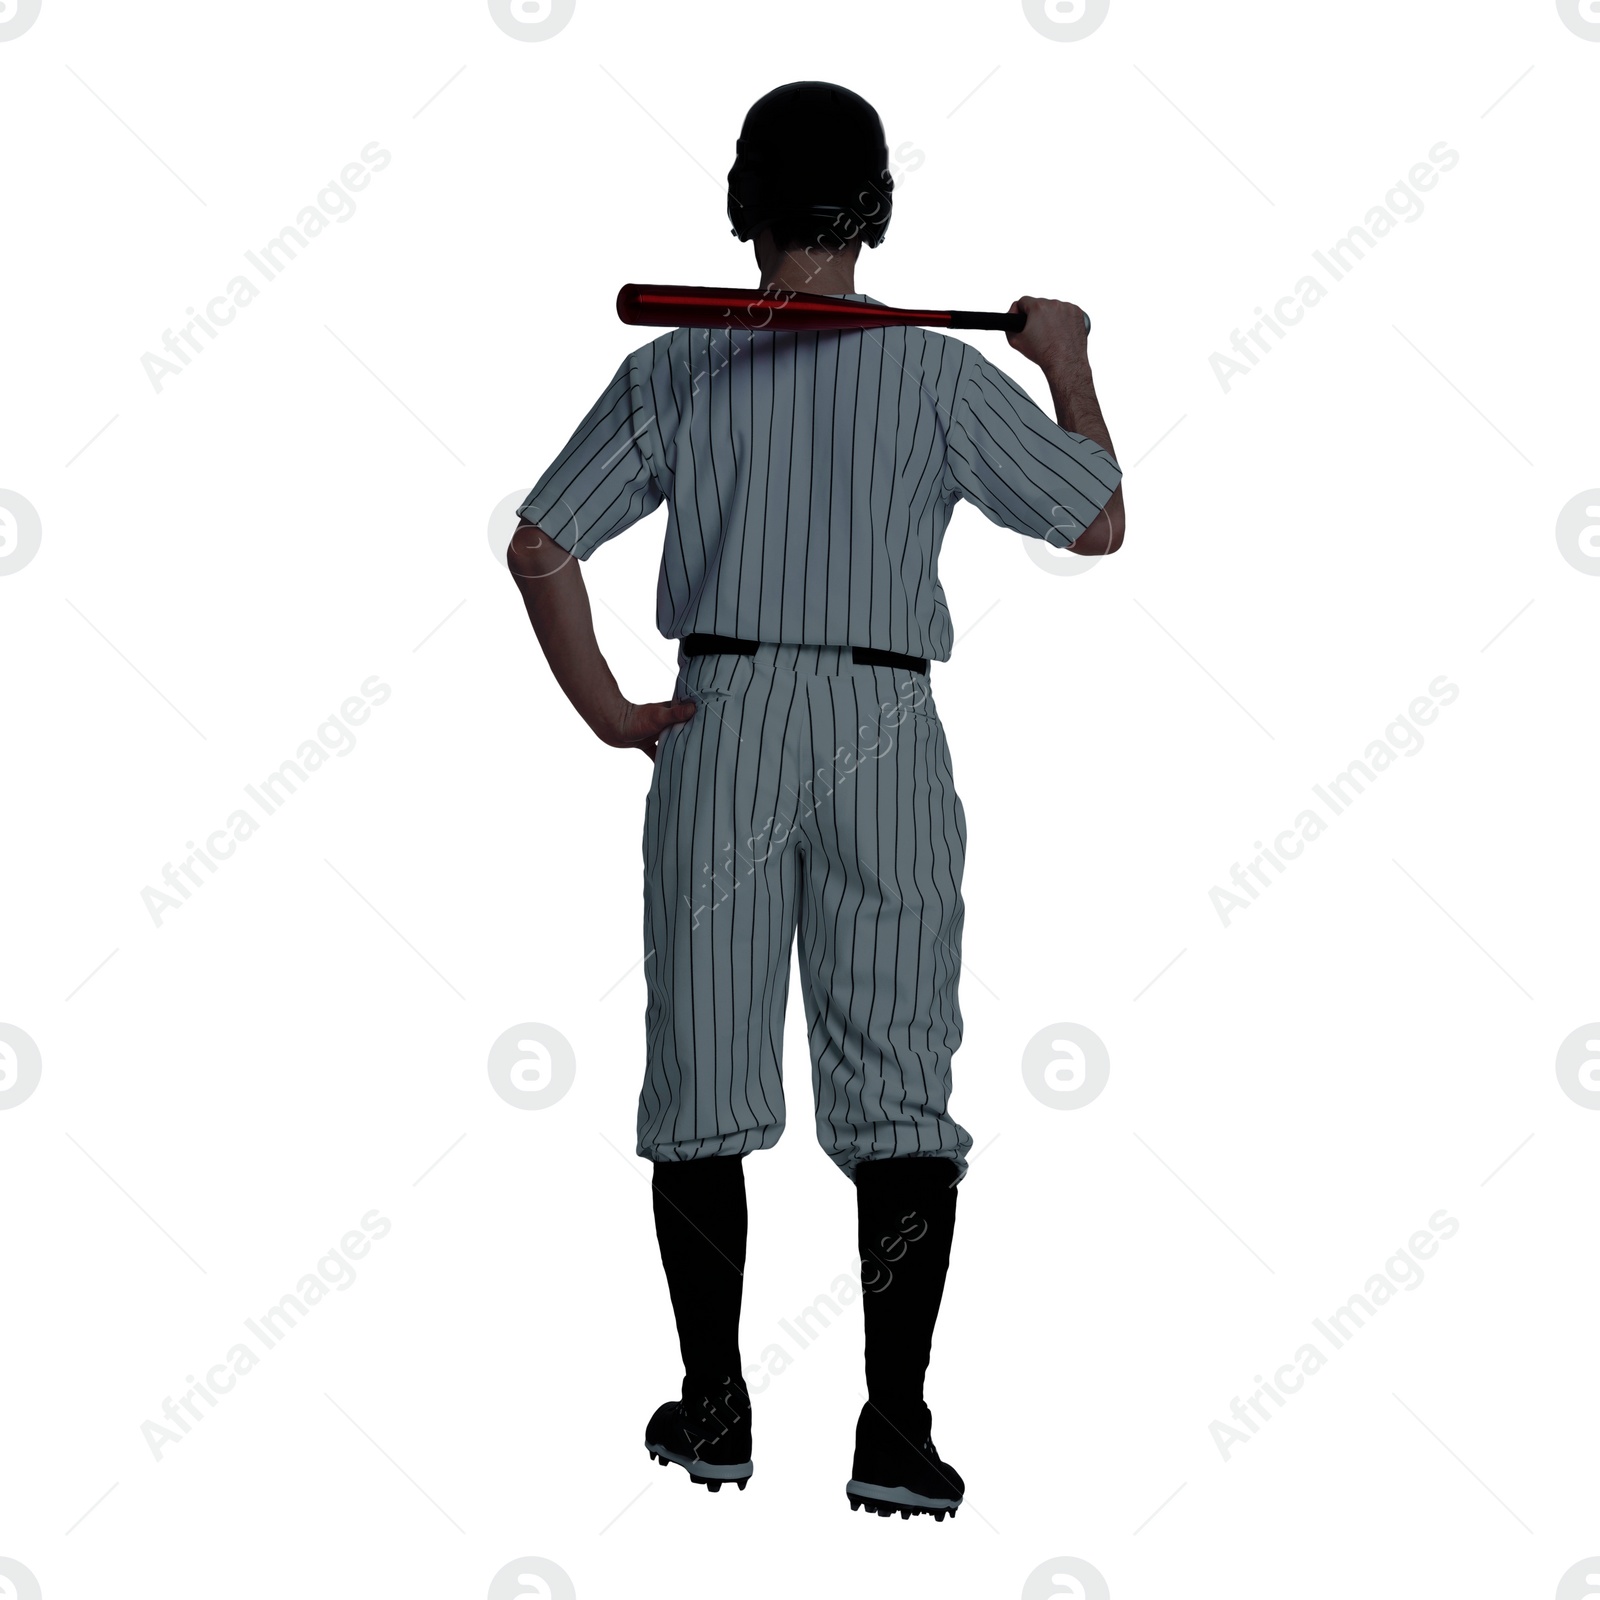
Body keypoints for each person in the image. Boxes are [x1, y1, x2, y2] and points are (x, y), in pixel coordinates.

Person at [507, 80, 1125, 1521]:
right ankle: (893, 1432)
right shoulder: (935, 375)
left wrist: (610, 713)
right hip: (882, 716)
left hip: (716, 717)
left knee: (704, 1072)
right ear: (877, 211)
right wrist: (1071, 358)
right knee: (901, 1077)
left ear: (743, 204)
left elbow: (541, 545)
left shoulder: (682, 370)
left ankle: (714, 1407)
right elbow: (1093, 516)